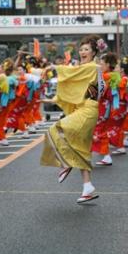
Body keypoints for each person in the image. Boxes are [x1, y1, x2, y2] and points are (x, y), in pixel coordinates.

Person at [40, 35, 103, 204]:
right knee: (81, 149)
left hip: (88, 110)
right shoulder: (88, 69)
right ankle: (87, 187)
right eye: (81, 49)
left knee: (56, 129)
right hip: (86, 109)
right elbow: (75, 88)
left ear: (94, 52)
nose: (82, 52)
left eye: (86, 49)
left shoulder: (93, 67)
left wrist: (54, 66)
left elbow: (70, 74)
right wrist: (50, 99)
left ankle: (65, 162)